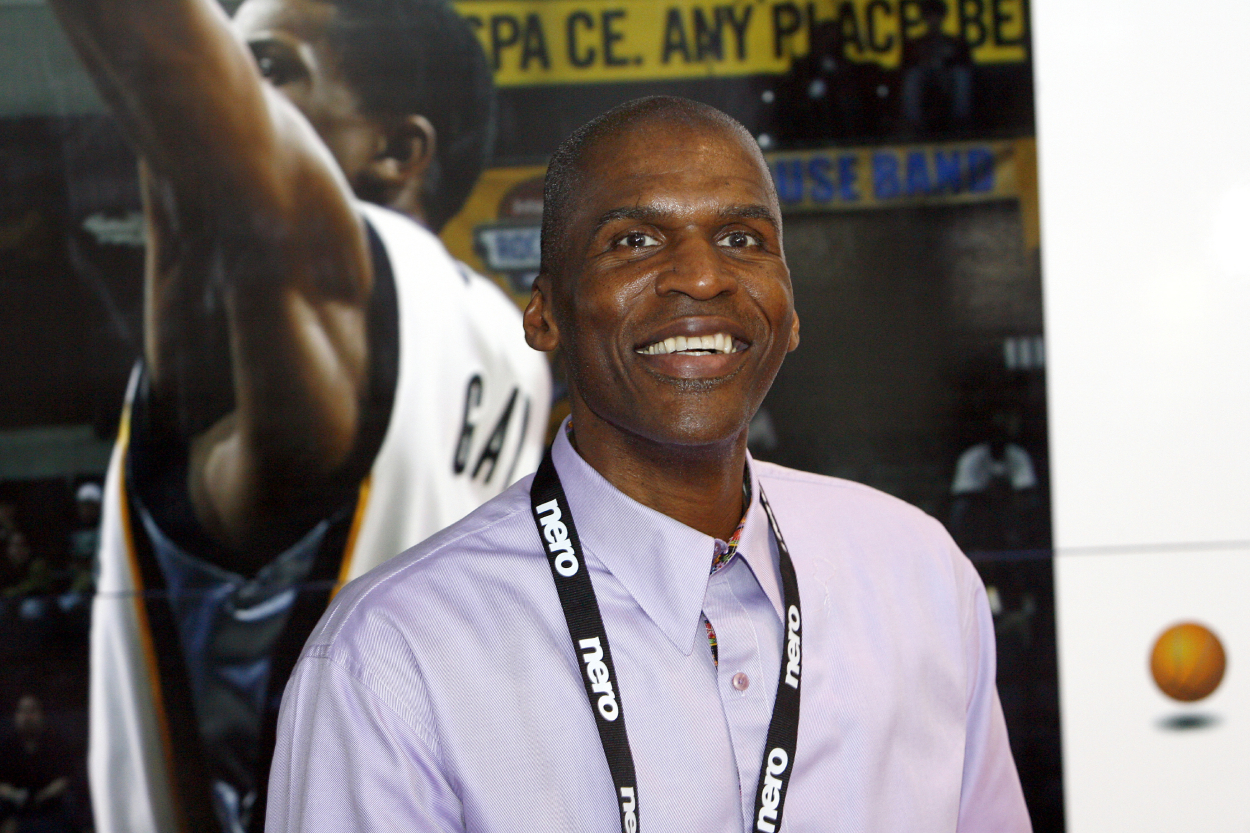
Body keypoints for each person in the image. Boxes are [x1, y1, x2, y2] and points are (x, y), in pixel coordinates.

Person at [267, 96, 1030, 832]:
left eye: (742, 239)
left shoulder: (917, 572)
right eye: (634, 240)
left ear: (791, 312)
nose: (701, 277)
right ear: (544, 314)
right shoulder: (395, 656)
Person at [46, 1, 551, 831]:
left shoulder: (334, 291)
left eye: (268, 69)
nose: (232, 91)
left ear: (393, 150)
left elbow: (168, 64)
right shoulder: (508, 344)